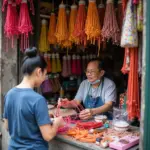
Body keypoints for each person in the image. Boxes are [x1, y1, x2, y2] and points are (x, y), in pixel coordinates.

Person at [3, 47, 64, 150]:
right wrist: (57, 123)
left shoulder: (9, 94)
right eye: (45, 74)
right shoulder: (38, 99)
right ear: (39, 72)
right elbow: (48, 135)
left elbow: (7, 126)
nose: (44, 78)